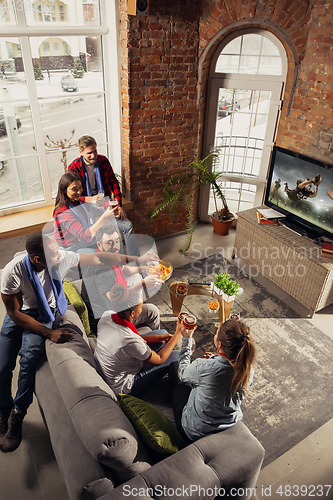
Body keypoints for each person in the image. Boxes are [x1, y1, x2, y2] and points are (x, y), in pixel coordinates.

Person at [0, 233, 152, 453]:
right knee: (3, 367)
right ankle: (3, 410)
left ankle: (17, 414)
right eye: (53, 254)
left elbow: (101, 258)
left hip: (45, 312)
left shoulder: (62, 258)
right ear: (36, 259)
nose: (59, 256)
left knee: (28, 360)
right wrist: (48, 333)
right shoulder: (12, 272)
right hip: (21, 313)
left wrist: (137, 260)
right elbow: (14, 312)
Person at [171, 319, 256, 442]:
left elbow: (182, 373)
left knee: (174, 367)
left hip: (195, 431)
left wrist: (187, 340)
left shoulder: (205, 367)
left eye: (217, 333)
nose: (215, 335)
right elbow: (226, 378)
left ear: (219, 344)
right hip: (228, 424)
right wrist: (216, 359)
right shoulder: (248, 369)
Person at [94, 284, 181, 396]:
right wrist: (178, 333)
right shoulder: (129, 341)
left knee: (162, 333)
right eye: (141, 305)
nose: (143, 306)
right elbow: (159, 359)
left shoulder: (107, 316)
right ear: (133, 313)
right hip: (123, 385)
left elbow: (131, 341)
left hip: (110, 367)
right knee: (176, 355)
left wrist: (159, 338)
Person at [81, 222, 161, 334]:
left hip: (110, 298)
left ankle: (137, 309)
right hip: (107, 319)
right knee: (153, 311)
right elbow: (115, 299)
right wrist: (143, 283)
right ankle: (151, 340)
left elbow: (124, 270)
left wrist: (145, 268)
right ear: (99, 244)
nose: (115, 246)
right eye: (109, 243)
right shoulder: (102, 270)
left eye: (117, 241)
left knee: (136, 276)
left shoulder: (106, 255)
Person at [68, 135, 139, 255]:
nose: (93, 155)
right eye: (89, 153)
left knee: (127, 226)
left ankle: (135, 260)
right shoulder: (74, 167)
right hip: (85, 206)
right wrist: (90, 199)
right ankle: (115, 263)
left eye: (95, 150)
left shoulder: (103, 161)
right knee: (103, 234)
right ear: (81, 152)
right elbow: (71, 195)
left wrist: (119, 205)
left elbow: (114, 183)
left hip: (105, 202)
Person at [53, 172, 117, 252]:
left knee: (114, 243)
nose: (79, 192)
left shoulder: (75, 201)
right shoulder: (63, 213)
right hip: (70, 248)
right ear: (65, 190)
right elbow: (85, 236)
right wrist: (104, 217)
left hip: (81, 242)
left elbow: (82, 199)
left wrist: (91, 199)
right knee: (102, 256)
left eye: (80, 188)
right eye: (74, 189)